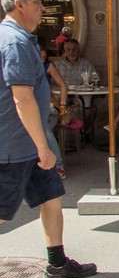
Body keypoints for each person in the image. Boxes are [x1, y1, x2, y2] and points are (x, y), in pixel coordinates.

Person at [0, 0, 97, 278]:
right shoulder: (13, 41)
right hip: (16, 145)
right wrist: (43, 146)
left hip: (28, 141)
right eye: (38, 2)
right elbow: (22, 98)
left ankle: (57, 263)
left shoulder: (21, 38)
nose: (43, 8)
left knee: (52, 197)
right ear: (20, 5)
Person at [38, 37, 69, 180]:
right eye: (40, 57)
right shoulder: (25, 68)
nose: (43, 60)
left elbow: (63, 86)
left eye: (45, 57)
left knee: (44, 129)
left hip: (49, 109)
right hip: (33, 111)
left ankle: (58, 165)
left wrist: (62, 105)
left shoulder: (48, 66)